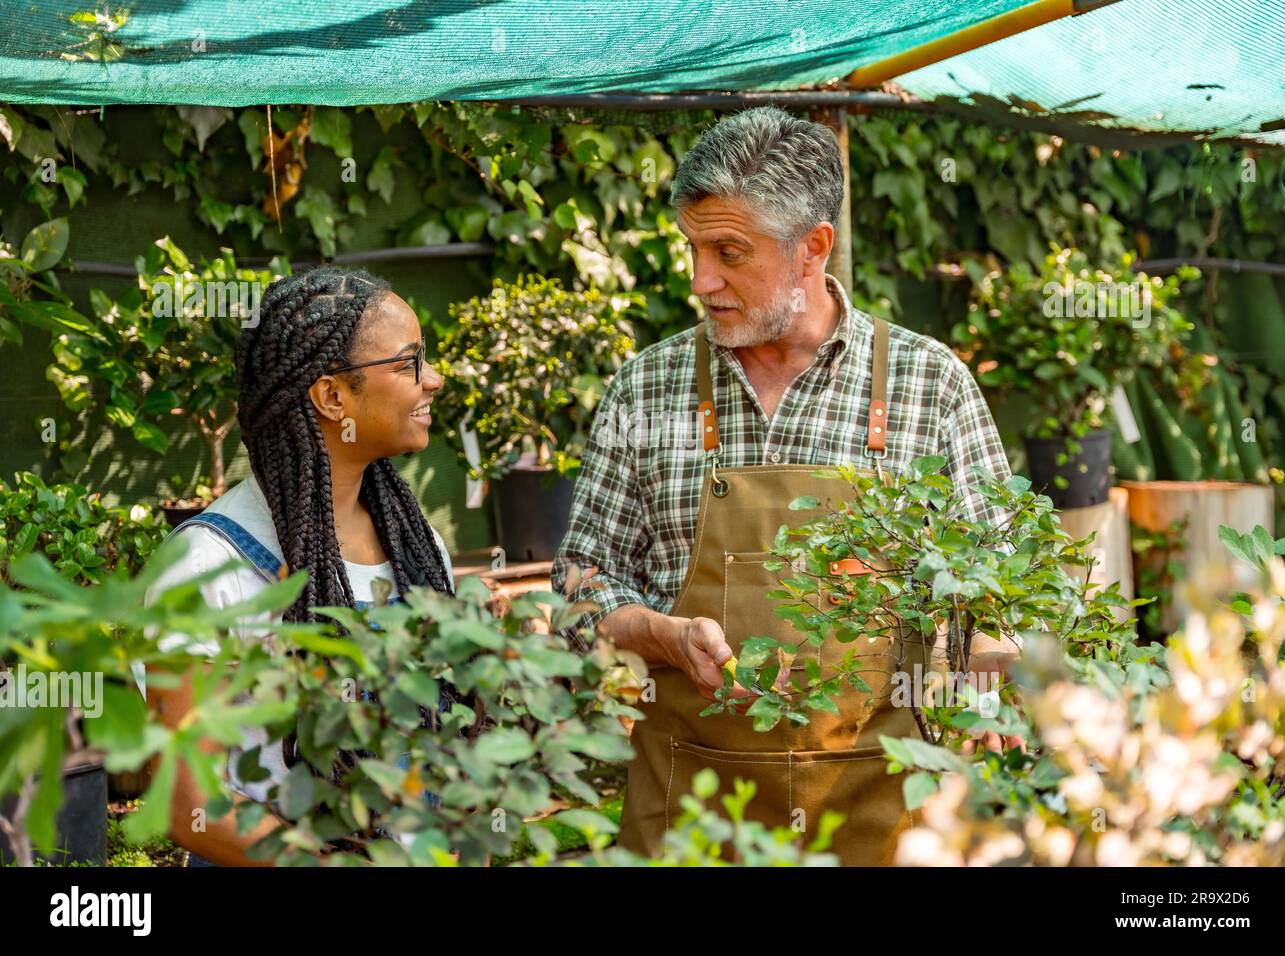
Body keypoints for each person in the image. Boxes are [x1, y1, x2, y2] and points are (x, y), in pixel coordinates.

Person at [552, 107, 1016, 865]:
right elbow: (578, 586)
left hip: (885, 811)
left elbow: (1000, 585)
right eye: (694, 249)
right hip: (691, 811)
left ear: (814, 248)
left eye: (729, 252)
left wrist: (983, 649)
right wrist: (661, 636)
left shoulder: (932, 386)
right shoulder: (646, 389)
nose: (702, 280)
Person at [141, 266, 455, 867]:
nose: (433, 380)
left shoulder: (420, 548)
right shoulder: (206, 567)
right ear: (333, 396)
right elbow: (189, 806)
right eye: (409, 362)